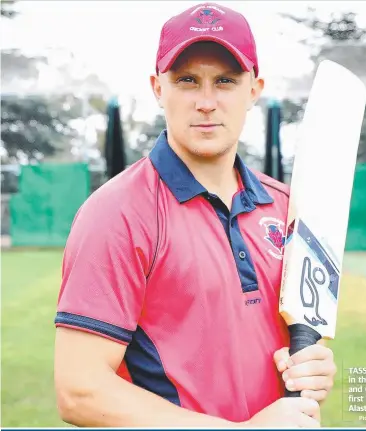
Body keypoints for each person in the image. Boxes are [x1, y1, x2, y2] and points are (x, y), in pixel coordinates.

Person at [54, 2, 337, 428]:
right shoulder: (116, 213)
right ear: (157, 88)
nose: (207, 101)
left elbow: (278, 347)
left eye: (225, 81)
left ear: (254, 90)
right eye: (187, 80)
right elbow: (80, 390)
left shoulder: (285, 206)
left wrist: (309, 368)